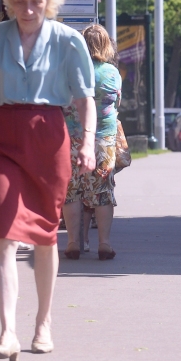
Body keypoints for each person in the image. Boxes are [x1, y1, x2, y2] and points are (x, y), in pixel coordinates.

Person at [0, 0, 96, 361]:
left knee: (43, 235)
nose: (28, 10)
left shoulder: (67, 41)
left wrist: (88, 143)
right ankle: (7, 333)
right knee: (4, 233)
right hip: (0, 141)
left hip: (48, 139)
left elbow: (85, 99)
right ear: (8, 2)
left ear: (49, 2)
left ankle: (43, 323)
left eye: (36, 2)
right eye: (20, 1)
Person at [62, 25, 122, 262]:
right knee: (102, 192)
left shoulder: (70, 70)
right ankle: (104, 244)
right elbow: (117, 103)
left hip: (72, 139)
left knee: (72, 192)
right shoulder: (111, 72)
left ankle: (73, 242)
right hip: (104, 140)